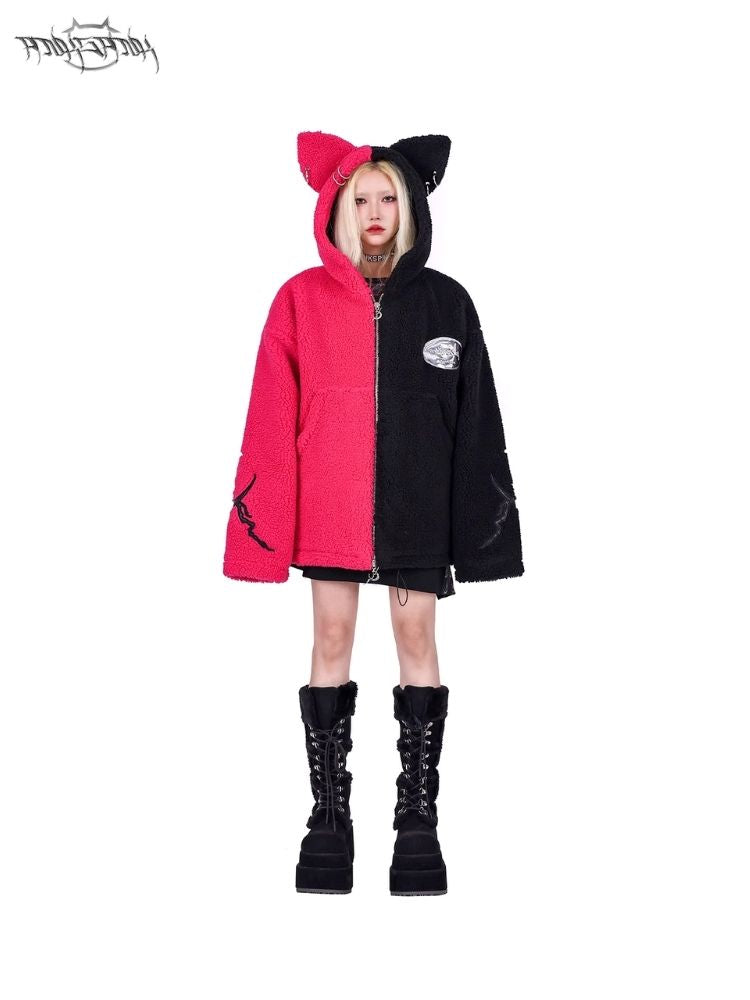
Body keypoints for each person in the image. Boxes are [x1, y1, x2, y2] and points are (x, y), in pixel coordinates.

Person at [222, 131, 525, 895]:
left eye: (389, 197)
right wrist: (264, 530)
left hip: (417, 505)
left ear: (411, 204)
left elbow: (477, 422)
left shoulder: (448, 302)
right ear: (339, 209)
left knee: (417, 637)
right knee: (330, 639)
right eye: (361, 199)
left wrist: (483, 534)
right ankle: (329, 815)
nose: (376, 211)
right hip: (331, 504)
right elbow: (270, 418)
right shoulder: (299, 300)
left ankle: (417, 818)